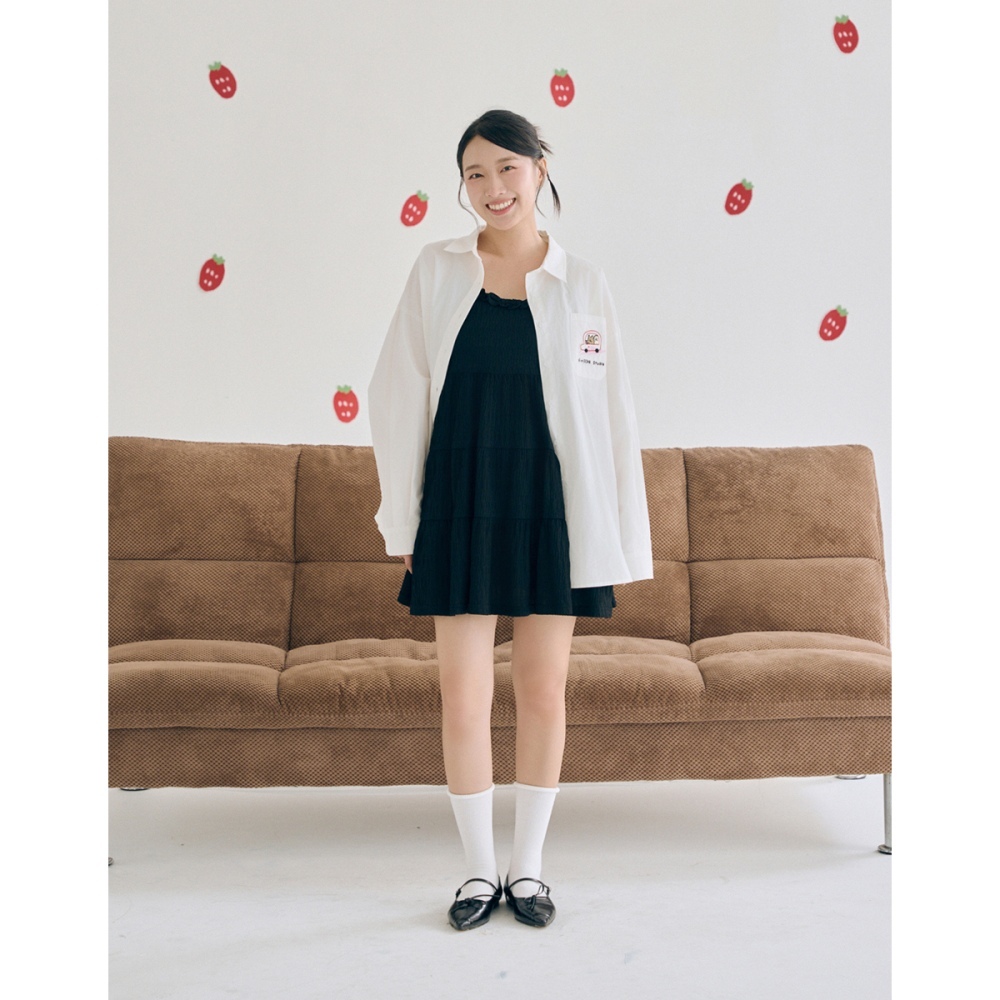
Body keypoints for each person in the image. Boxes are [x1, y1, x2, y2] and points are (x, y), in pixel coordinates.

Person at [367, 109, 653, 930]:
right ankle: (476, 872)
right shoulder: (436, 269)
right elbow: (397, 394)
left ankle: (527, 869)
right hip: (458, 503)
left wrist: (615, 530)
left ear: (539, 169)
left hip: (550, 509)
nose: (492, 188)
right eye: (475, 174)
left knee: (542, 690)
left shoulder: (583, 284)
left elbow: (611, 413)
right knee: (462, 695)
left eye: (507, 169)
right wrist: (405, 522)